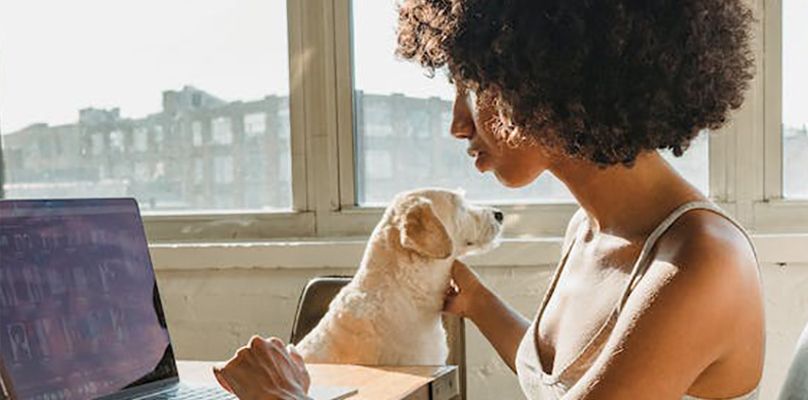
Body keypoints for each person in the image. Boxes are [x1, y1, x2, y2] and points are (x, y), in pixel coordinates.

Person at [215, 1, 764, 399]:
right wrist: (476, 303)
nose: (459, 123)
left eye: (472, 87)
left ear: (550, 79)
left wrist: (282, 399)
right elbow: (563, 381)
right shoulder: (589, 230)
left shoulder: (699, 262)